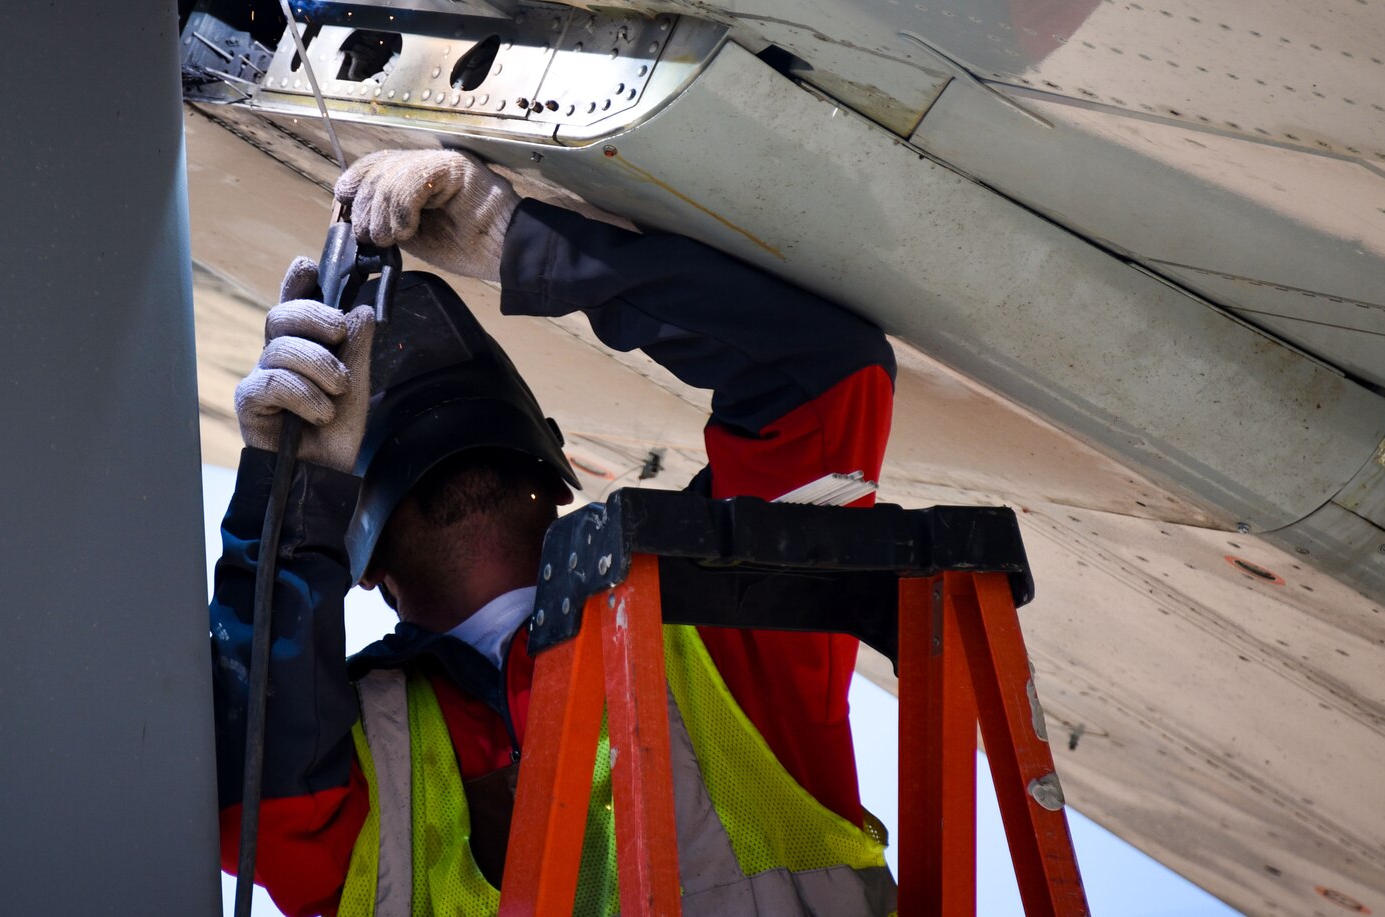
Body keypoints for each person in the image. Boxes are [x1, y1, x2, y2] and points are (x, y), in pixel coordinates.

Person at [212, 148, 898, 916]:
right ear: (361, 562)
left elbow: (824, 380)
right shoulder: (364, 753)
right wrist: (293, 492)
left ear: (560, 480)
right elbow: (252, 795)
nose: (437, 440)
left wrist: (517, 241)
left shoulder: (716, 633)